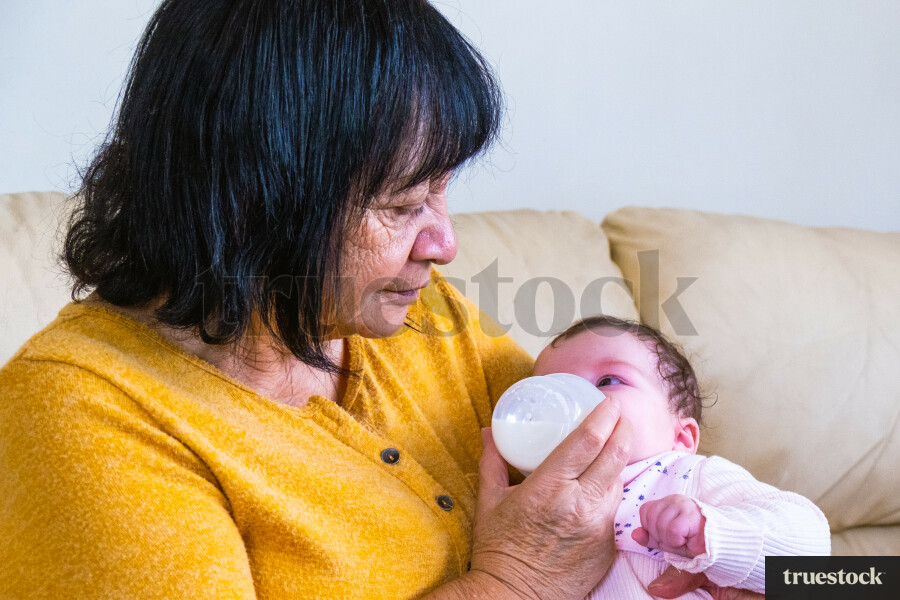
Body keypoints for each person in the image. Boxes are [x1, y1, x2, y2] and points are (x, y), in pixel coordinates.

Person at [0, 1, 639, 598]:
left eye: (442, 188)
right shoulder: (80, 413)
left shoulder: (416, 311)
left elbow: (623, 466)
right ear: (255, 198)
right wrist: (514, 584)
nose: (444, 244)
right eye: (402, 204)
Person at [531, 315, 832, 600]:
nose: (574, 400)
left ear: (681, 438)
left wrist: (711, 533)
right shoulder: (529, 502)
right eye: (551, 393)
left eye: (608, 380)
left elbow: (810, 553)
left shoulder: (687, 476)